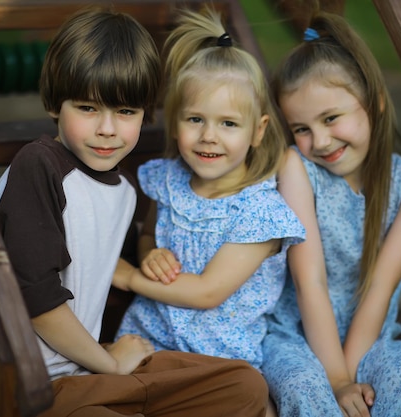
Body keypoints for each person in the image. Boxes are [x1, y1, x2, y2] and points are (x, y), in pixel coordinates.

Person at [0, 7, 269, 417]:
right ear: (54, 104)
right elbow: (35, 298)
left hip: (82, 374)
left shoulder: (124, 192)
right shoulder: (39, 167)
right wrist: (109, 362)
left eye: (126, 112)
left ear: (146, 113)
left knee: (242, 385)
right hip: (15, 388)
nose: (107, 129)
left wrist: (148, 254)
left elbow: (110, 262)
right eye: (88, 109)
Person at [261, 10, 401, 417]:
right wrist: (337, 380)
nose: (320, 140)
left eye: (331, 118)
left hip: (371, 337)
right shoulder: (296, 169)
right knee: (304, 386)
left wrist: (351, 372)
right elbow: (309, 281)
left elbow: (380, 285)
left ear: (375, 102)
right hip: (295, 337)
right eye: (301, 128)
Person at [112, 5, 304, 378]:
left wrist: (129, 276)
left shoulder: (260, 213)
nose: (209, 136)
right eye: (195, 119)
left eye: (228, 123)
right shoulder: (168, 181)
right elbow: (150, 232)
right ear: (175, 122)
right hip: (149, 337)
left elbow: (207, 292)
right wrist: (151, 253)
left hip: (218, 358)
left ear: (258, 131)